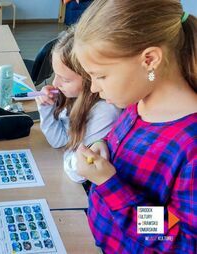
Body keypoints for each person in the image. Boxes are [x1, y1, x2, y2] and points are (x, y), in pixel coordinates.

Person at [72, 0, 196, 253]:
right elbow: (125, 149)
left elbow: (183, 243)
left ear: (149, 59)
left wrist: (109, 184)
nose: (94, 88)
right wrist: (101, 146)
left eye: (101, 76)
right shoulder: (137, 103)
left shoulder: (191, 145)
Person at [36, 27, 121, 183]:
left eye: (65, 79)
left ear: (90, 78)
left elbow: (78, 173)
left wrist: (70, 152)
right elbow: (59, 141)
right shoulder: (72, 96)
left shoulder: (105, 112)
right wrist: (47, 107)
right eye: (56, 75)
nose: (55, 83)